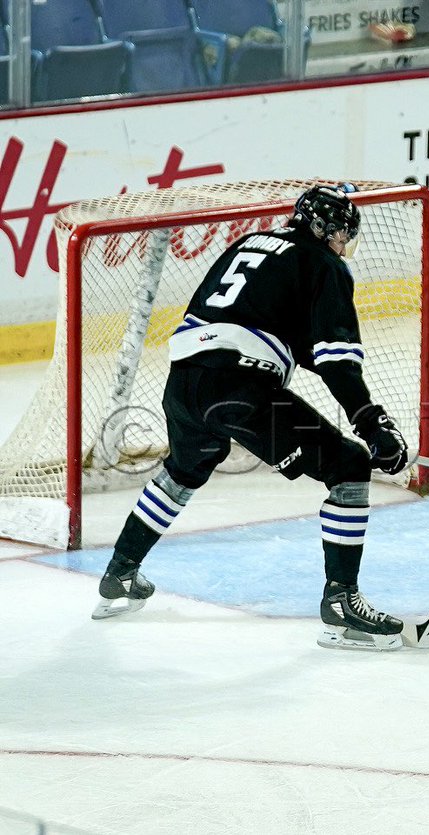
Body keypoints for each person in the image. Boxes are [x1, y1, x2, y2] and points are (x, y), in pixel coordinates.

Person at [91, 184, 412, 652]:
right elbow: (336, 361)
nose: (345, 247)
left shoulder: (250, 243)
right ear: (329, 231)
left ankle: (119, 573)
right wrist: (372, 425)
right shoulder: (325, 265)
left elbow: (276, 332)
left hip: (183, 383)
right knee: (348, 466)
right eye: (344, 236)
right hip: (238, 387)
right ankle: (342, 605)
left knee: (185, 468)